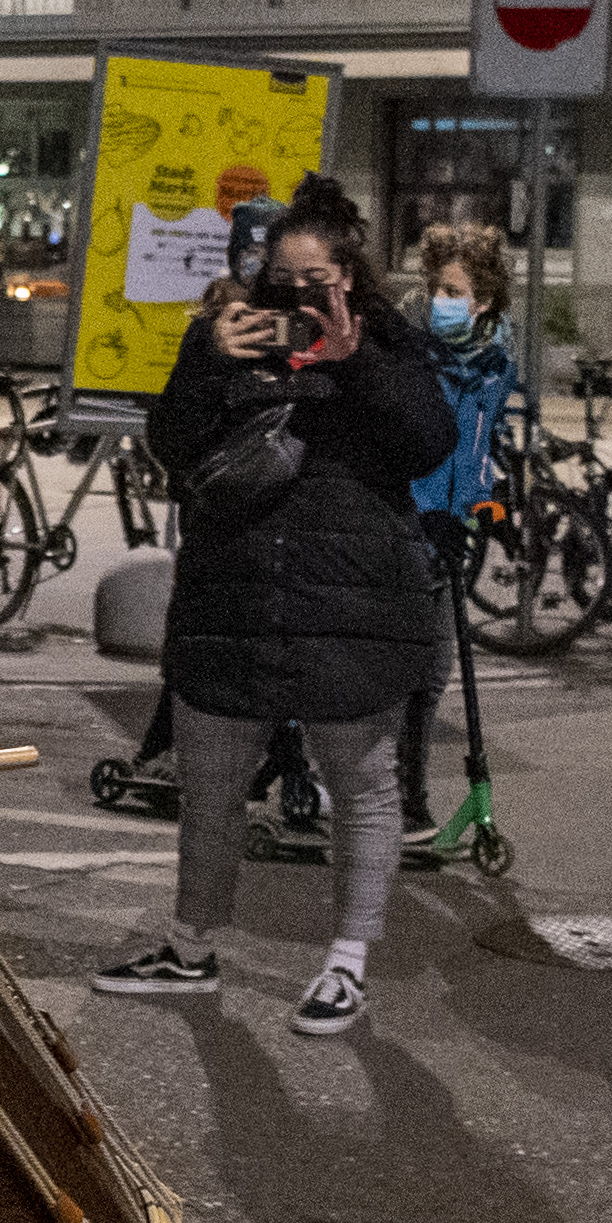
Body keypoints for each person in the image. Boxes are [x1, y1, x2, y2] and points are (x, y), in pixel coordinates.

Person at [91, 201, 457, 1038]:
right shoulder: (227, 331)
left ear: (352, 278)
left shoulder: (385, 341)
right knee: (209, 787)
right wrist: (209, 366)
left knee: (362, 788)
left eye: (316, 282)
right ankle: (189, 949)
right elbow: (175, 446)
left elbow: (429, 443)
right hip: (233, 593)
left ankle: (346, 966)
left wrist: (356, 362)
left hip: (351, 597)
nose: (295, 298)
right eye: (281, 280)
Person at [399, 221, 516, 855]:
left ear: (486, 301)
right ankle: (401, 801)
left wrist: (482, 503)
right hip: (406, 523)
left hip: (449, 529)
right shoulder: (411, 354)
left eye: (455, 290)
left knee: (432, 668)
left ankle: (399, 794)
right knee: (414, 664)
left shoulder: (496, 366)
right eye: (437, 286)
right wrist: (423, 507)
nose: (441, 300)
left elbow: (475, 450)